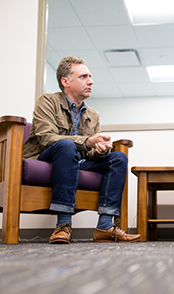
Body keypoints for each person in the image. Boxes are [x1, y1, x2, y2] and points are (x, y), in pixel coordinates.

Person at [23, 56, 141, 244]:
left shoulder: (93, 115)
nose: (91, 81)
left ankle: (105, 225)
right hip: (46, 158)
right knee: (66, 146)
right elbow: (47, 139)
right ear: (65, 81)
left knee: (118, 158)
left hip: (76, 161)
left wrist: (100, 150)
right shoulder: (47, 102)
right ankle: (63, 224)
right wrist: (86, 142)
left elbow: (88, 153)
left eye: (90, 76)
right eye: (84, 76)